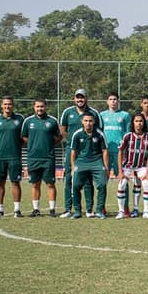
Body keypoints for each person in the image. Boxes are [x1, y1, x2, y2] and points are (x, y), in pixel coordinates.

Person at [59, 88, 103, 218]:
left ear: (86, 99)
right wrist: (75, 143)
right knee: (69, 177)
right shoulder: (67, 112)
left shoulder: (93, 113)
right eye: (77, 97)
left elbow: (100, 131)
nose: (80, 100)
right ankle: (68, 208)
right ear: (74, 99)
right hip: (72, 150)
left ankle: (89, 210)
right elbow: (63, 131)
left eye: (82, 97)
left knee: (88, 180)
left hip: (90, 151)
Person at [21, 99, 62, 218]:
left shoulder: (52, 121)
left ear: (45, 107)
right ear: (34, 107)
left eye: (42, 107)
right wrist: (33, 145)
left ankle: (52, 210)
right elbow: (23, 136)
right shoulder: (28, 121)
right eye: (38, 107)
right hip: (33, 158)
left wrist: (48, 144)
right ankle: (36, 209)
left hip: (48, 158)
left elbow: (59, 136)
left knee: (50, 184)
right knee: (35, 184)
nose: (40, 109)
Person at [0, 96, 25, 218]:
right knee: (0, 183)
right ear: (1, 105)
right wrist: (0, 146)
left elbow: (24, 136)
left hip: (15, 156)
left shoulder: (20, 119)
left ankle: (17, 210)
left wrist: (16, 145)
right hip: (0, 157)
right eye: (5, 104)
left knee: (15, 182)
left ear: (12, 105)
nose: (7, 106)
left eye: (9, 104)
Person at [69, 112, 109, 219]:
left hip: (96, 162)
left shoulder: (100, 134)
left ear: (94, 122)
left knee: (102, 185)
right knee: (76, 185)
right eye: (86, 121)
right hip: (81, 162)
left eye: (90, 121)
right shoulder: (77, 134)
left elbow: (104, 151)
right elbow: (73, 152)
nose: (88, 123)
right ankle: (77, 211)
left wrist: (106, 167)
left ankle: (99, 210)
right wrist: (73, 167)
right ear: (82, 121)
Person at [115, 113, 148, 219]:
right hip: (127, 166)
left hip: (141, 166)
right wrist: (120, 171)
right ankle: (121, 211)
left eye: (141, 121)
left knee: (146, 184)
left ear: (144, 123)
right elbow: (120, 152)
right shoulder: (128, 136)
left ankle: (145, 211)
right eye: (136, 121)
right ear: (133, 123)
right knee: (121, 185)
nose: (139, 123)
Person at [100, 91, 132, 214]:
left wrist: (126, 149)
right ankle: (101, 207)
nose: (113, 101)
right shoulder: (102, 115)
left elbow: (128, 133)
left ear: (118, 101)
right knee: (103, 179)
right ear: (107, 101)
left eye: (115, 99)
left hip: (120, 153)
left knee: (123, 180)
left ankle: (125, 207)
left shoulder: (125, 115)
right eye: (111, 99)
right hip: (106, 152)